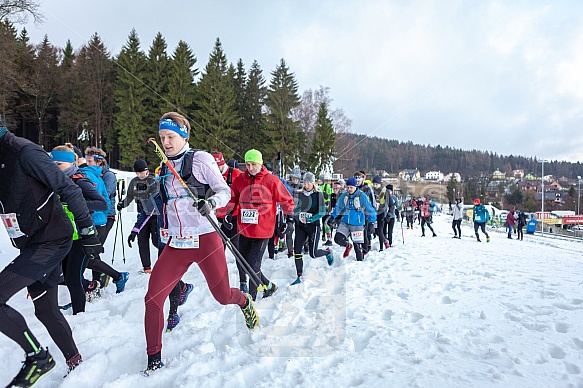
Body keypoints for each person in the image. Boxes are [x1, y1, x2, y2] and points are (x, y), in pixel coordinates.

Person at [143, 112, 258, 374]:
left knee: (222, 295)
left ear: (184, 136)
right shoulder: (164, 169)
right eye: (162, 138)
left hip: (205, 238)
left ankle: (244, 301)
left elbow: (224, 190)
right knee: (152, 299)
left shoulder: (200, 160)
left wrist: (211, 204)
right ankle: (154, 359)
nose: (166, 143)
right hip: (177, 242)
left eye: (171, 137)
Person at [0, 123, 104, 385]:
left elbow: (69, 189)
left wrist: (89, 231)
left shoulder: (25, 152)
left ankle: (38, 357)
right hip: (30, 241)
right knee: (46, 310)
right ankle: (75, 362)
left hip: (51, 240)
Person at [224, 148, 294, 300]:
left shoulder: (272, 180)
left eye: (253, 164)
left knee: (253, 266)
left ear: (260, 164)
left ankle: (251, 297)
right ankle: (268, 286)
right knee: (243, 263)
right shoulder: (240, 179)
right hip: (244, 229)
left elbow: (287, 200)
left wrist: (290, 219)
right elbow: (233, 198)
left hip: (263, 230)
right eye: (247, 164)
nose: (250, 168)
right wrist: (228, 213)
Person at [51, 144, 108, 314]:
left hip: (82, 236)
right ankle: (86, 294)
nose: (55, 168)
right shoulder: (56, 181)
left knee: (73, 279)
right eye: (52, 164)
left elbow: (101, 203)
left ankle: (79, 315)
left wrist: (72, 204)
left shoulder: (80, 180)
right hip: (64, 236)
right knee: (65, 278)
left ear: (71, 163)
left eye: (59, 165)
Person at [290, 172, 335, 285]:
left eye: (309, 182)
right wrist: (294, 212)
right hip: (301, 226)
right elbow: (299, 207)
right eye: (305, 182)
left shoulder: (318, 194)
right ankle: (299, 276)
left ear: (313, 183)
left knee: (313, 254)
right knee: (297, 251)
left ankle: (327, 252)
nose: (306, 185)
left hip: (313, 226)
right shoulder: (300, 194)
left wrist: (310, 219)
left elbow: (322, 212)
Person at [119, 159, 158, 273]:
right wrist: (123, 204)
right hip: (141, 216)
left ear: (147, 171)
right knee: (142, 240)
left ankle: (166, 262)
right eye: (138, 173)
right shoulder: (134, 182)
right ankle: (147, 268)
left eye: (142, 172)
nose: (140, 175)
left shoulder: (153, 181)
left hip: (155, 216)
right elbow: (130, 196)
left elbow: (158, 199)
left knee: (156, 241)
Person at [328, 177, 376, 261]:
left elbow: (370, 209)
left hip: (357, 224)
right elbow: (338, 206)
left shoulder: (362, 196)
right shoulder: (345, 195)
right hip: (345, 222)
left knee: (358, 250)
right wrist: (333, 216)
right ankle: (348, 246)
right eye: (348, 187)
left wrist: (372, 223)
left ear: (355, 187)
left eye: (351, 187)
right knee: (337, 238)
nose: (349, 189)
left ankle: (360, 265)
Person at [371, 176, 389, 250]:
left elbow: (388, 203)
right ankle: (384, 239)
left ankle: (382, 247)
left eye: (376, 184)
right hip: (373, 213)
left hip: (381, 213)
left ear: (380, 184)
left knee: (380, 230)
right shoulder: (371, 191)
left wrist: (387, 214)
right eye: (374, 184)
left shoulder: (384, 191)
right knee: (376, 231)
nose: (375, 186)